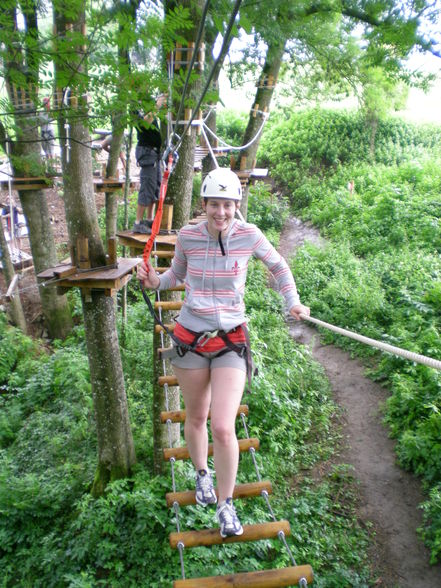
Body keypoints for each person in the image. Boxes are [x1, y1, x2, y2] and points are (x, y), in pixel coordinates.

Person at [137, 168, 310, 538]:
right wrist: (156, 282)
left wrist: (292, 302)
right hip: (191, 337)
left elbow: (278, 266)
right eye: (214, 204)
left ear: (237, 205)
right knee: (197, 417)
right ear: (204, 205)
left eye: (228, 205)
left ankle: (225, 503)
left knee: (222, 425)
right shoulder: (187, 236)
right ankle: (202, 475)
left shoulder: (249, 235)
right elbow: (176, 276)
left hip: (231, 339)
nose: (221, 212)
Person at [133, 94, 167, 234]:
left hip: (155, 154)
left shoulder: (148, 106)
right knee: (147, 186)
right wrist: (157, 105)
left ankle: (148, 219)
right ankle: (138, 222)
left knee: (155, 187)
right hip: (147, 154)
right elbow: (144, 123)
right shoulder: (135, 109)